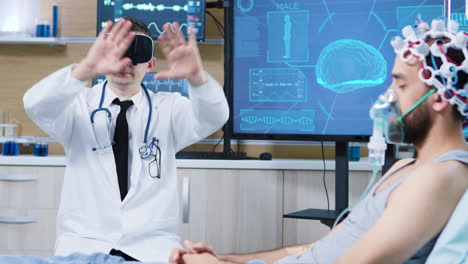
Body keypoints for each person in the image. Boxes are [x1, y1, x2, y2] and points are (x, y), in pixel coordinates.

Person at [168, 19, 468, 264]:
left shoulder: (442, 175)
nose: (387, 96)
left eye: (400, 84)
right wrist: (224, 259)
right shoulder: (405, 166)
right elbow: (313, 250)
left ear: (440, 98)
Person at [23, 17, 229, 262]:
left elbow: (214, 116)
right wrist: (86, 68)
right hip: (84, 244)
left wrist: (197, 78)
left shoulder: (170, 108)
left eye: (137, 53)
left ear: (150, 63)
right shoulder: (76, 106)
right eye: (118, 51)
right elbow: (36, 105)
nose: (126, 61)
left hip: (151, 247)